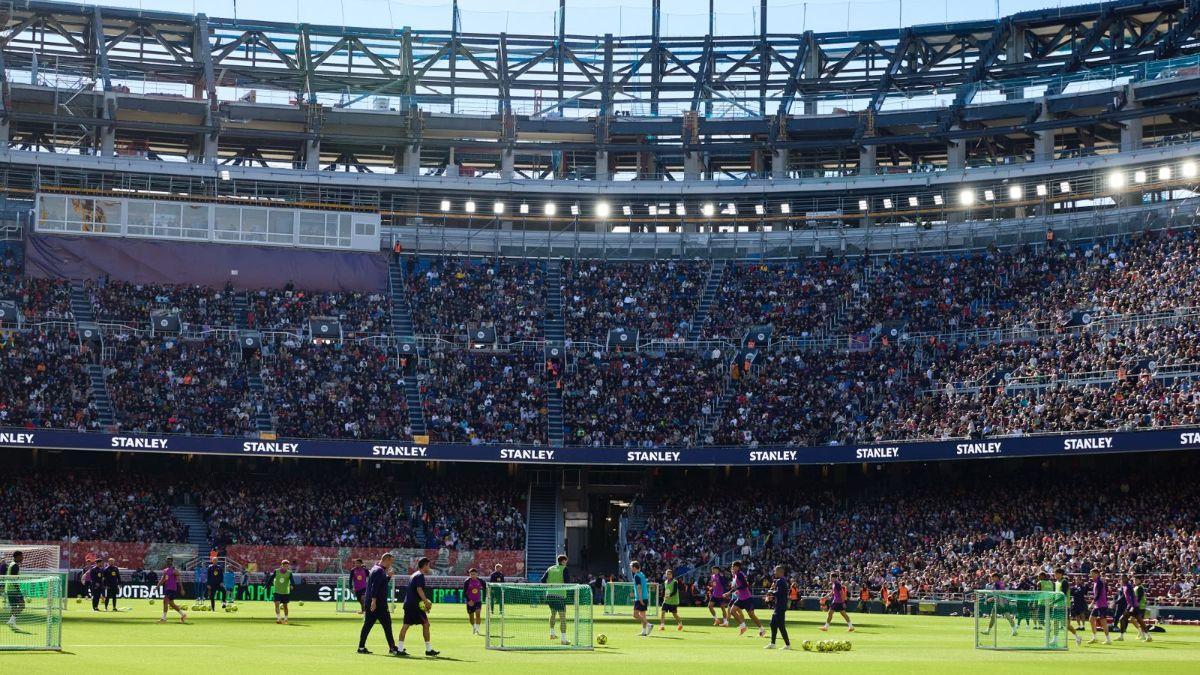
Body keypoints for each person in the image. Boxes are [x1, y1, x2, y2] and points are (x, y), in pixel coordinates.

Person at [357, 553, 401, 656]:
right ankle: (392, 648)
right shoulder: (379, 570)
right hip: (378, 604)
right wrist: (374, 601)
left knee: (368, 625)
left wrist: (388, 577)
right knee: (386, 625)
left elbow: (380, 584)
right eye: (391, 561)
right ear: (387, 560)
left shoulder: (376, 568)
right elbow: (374, 587)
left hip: (374, 603)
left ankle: (361, 647)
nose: (391, 564)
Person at [398, 556, 439, 657]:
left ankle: (399, 648)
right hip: (414, 605)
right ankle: (428, 650)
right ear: (425, 565)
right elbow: (419, 589)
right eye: (428, 565)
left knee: (406, 625)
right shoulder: (420, 575)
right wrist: (426, 602)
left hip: (409, 604)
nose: (429, 567)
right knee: (425, 624)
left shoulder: (414, 575)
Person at [726, 560, 765, 637]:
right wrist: (735, 590)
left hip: (747, 598)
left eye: (733, 567)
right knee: (732, 611)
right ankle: (743, 626)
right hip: (741, 598)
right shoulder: (736, 575)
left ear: (737, 567)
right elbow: (740, 586)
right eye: (732, 567)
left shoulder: (740, 574)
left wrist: (731, 592)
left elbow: (745, 585)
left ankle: (762, 629)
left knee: (751, 615)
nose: (732, 568)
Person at [540, 554, 571, 644]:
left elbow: (542, 580)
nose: (566, 563)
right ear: (563, 561)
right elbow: (567, 582)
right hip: (560, 595)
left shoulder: (550, 568)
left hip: (549, 594)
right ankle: (563, 640)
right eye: (566, 561)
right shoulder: (564, 569)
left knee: (553, 613)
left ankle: (552, 634)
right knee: (562, 617)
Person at [764, 565, 791, 650]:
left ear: (780, 572)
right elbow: (781, 593)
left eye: (775, 571)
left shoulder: (780, 581)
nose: (774, 573)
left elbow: (779, 593)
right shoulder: (782, 580)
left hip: (780, 606)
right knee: (773, 624)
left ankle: (787, 645)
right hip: (780, 605)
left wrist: (771, 592)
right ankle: (773, 643)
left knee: (781, 626)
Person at [981, 571, 1016, 637]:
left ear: (996, 577)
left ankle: (988, 631)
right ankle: (1014, 631)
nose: (991, 579)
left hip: (999, 602)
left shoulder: (997, 584)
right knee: (1006, 617)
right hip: (1003, 602)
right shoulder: (1001, 583)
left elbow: (998, 594)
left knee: (994, 617)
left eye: (992, 577)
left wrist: (993, 599)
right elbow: (1000, 593)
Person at [1117, 573, 1151, 642]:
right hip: (1132, 606)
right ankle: (1147, 636)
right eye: (1121, 578)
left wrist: (1132, 606)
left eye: (1123, 578)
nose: (1122, 580)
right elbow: (1124, 596)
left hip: (1136, 606)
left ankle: (1122, 636)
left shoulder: (1132, 586)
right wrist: (1116, 602)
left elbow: (1135, 597)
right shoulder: (1127, 586)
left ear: (1126, 579)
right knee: (1139, 621)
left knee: (1123, 619)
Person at [1053, 568, 1082, 646]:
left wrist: (1053, 602)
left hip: (1064, 606)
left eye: (1056, 574)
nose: (1055, 575)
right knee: (1055, 622)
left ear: (1061, 574)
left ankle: (1077, 636)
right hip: (1056, 605)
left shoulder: (1064, 582)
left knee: (1066, 624)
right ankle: (1055, 639)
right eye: (1055, 574)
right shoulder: (1056, 582)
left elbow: (1063, 594)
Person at [155, 557, 187, 623]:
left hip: (172, 589)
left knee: (165, 601)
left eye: (169, 561)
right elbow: (162, 579)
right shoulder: (165, 570)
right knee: (171, 604)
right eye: (167, 561)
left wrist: (182, 589)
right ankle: (183, 614)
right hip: (167, 588)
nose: (167, 562)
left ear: (172, 562)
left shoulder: (174, 570)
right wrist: (157, 586)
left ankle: (163, 619)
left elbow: (179, 580)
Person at [1088, 568, 1112, 645]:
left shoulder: (1099, 582)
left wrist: (1092, 603)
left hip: (1101, 605)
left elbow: (1098, 595)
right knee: (1091, 620)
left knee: (1103, 622)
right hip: (1097, 605)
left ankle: (1108, 639)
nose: (1091, 575)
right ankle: (1094, 638)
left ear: (1097, 574)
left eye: (1092, 574)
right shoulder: (1096, 582)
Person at [3, 550, 24, 630]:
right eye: (21, 556)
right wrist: (18, 590)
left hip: (9, 588)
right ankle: (11, 621)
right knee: (22, 605)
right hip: (14, 589)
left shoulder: (12, 564)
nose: (22, 558)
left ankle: (12, 623)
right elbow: (13, 579)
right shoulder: (15, 565)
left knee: (14, 607)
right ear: (17, 557)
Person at [270, 560, 294, 624]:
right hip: (277, 591)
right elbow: (271, 579)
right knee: (277, 605)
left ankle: (286, 619)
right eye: (285, 566)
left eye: (287, 566)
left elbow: (292, 580)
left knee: (285, 606)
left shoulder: (289, 573)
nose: (286, 567)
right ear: (282, 566)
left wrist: (292, 585)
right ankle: (278, 619)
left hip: (285, 592)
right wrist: (266, 586)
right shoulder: (276, 571)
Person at [630, 561, 651, 637]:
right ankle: (644, 632)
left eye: (631, 567)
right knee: (643, 615)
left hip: (640, 598)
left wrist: (640, 599)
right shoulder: (642, 574)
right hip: (645, 597)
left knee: (635, 615)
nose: (630, 569)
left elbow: (639, 587)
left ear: (634, 567)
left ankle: (649, 625)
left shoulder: (636, 576)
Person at [463, 568, 486, 635]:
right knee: (471, 616)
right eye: (471, 574)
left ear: (477, 574)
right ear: (469, 574)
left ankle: (478, 630)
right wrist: (469, 600)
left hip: (478, 601)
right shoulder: (467, 581)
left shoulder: (480, 580)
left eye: (474, 574)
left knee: (478, 614)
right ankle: (474, 627)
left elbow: (486, 588)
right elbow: (464, 593)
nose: (473, 575)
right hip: (470, 601)